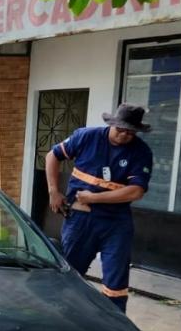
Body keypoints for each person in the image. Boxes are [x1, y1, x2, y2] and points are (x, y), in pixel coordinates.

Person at [46, 103, 154, 313]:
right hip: (81, 220)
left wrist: (94, 198)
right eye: (120, 129)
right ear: (112, 124)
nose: (124, 135)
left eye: (130, 132)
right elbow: (53, 156)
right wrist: (53, 191)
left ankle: (113, 324)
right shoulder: (87, 137)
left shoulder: (141, 152)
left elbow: (135, 191)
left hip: (116, 223)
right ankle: (61, 316)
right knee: (70, 272)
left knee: (116, 281)